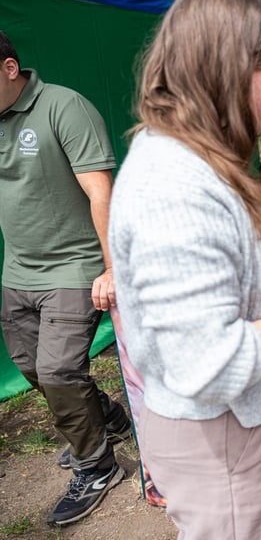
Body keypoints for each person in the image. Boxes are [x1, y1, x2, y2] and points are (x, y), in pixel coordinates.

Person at [107, 0, 261, 538]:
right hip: (231, 450)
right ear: (237, 65)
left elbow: (226, 274)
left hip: (256, 434)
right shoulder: (174, 185)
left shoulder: (203, 155)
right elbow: (206, 364)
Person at [0, 31, 132, 526]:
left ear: (10, 69)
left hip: (74, 266)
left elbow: (102, 191)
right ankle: (108, 420)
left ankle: (98, 467)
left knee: (58, 372)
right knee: (31, 367)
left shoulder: (63, 107)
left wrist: (112, 265)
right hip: (18, 268)